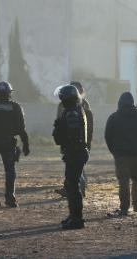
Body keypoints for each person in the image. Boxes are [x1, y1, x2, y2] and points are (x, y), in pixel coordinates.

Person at [105, 92, 137, 216]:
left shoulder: (114, 117)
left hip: (121, 154)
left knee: (124, 181)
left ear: (119, 103)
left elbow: (108, 136)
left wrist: (114, 151)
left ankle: (124, 208)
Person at [53, 84, 88, 230]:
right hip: (75, 153)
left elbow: (72, 137)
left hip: (75, 153)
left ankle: (77, 219)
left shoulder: (72, 113)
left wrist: (59, 128)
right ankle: (73, 215)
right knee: (70, 185)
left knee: (73, 187)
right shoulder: (74, 110)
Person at [55, 81, 93, 198]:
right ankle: (72, 189)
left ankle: (76, 190)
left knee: (76, 170)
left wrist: (87, 141)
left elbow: (88, 124)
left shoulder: (81, 106)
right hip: (75, 143)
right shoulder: (66, 106)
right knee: (75, 169)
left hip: (76, 143)